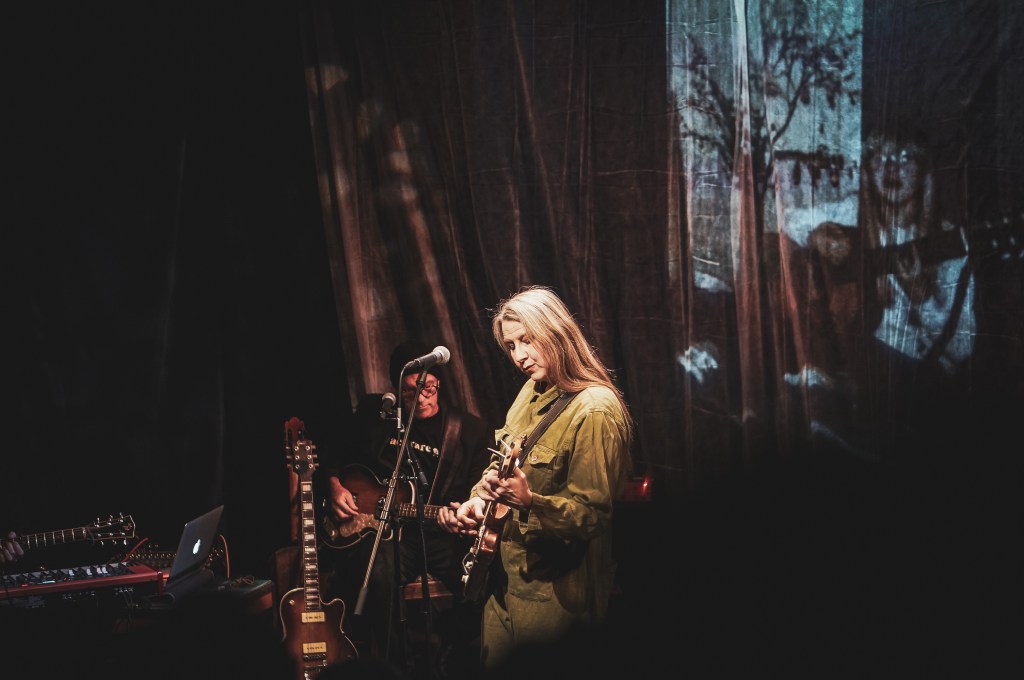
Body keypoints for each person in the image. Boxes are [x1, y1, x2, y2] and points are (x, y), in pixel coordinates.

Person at [437, 285, 634, 672]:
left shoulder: (595, 409)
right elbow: (500, 464)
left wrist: (530, 502)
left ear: (556, 332)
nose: (519, 356)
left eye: (527, 340)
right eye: (511, 346)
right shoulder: (530, 391)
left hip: (555, 599)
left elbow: (592, 515)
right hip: (504, 586)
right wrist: (479, 500)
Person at [317, 340, 494, 677]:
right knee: (377, 577)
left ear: (439, 384)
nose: (422, 397)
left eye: (429, 387)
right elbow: (333, 450)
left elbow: (477, 491)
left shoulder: (469, 432)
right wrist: (334, 484)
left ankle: (455, 655)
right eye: (412, 390)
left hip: (439, 533)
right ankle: (393, 667)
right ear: (397, 388)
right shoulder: (376, 415)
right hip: (385, 534)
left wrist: (459, 512)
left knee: (479, 578)